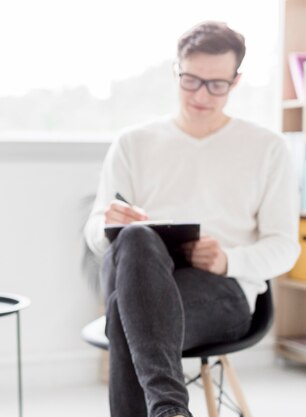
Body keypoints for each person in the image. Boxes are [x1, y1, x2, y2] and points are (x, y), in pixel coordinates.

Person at [84, 21, 300, 417]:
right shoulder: (134, 143)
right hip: (138, 275)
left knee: (125, 316)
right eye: (191, 80)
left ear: (236, 82)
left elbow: (285, 246)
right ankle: (171, 409)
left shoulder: (267, 148)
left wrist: (228, 260)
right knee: (133, 239)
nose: (202, 94)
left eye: (216, 84)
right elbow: (98, 237)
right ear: (176, 71)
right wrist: (105, 223)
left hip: (221, 290)